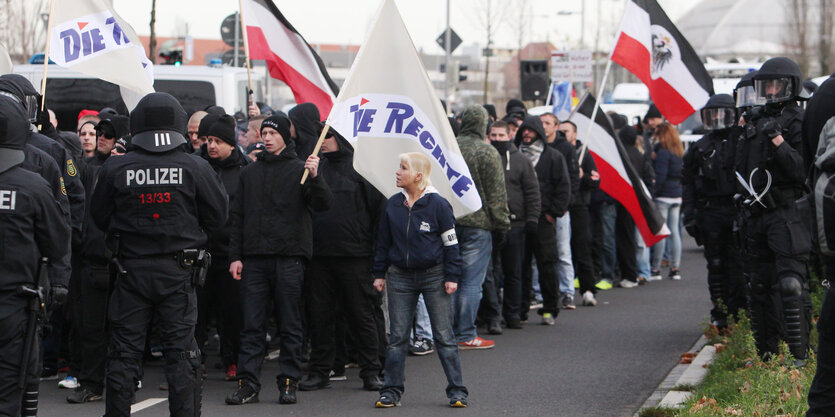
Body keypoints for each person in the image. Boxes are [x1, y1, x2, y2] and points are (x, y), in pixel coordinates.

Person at [90, 92, 229, 416]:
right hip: (179, 274)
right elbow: (220, 217)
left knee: (123, 356)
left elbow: (98, 216)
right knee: (182, 357)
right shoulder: (195, 166)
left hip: (131, 271)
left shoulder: (116, 167)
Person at [226, 114, 332, 405]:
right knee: (251, 325)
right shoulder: (250, 173)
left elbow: (323, 205)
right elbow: (238, 218)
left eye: (273, 133)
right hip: (255, 260)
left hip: (289, 259)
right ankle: (248, 383)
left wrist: (316, 176)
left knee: (290, 324)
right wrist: (235, 256)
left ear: (286, 136)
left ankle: (288, 381)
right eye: (264, 133)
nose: (268, 137)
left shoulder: (301, 169)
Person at [372, 152, 468, 408]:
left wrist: (452, 276)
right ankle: (390, 391)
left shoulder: (438, 205)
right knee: (397, 337)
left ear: (418, 175)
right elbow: (383, 243)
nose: (397, 172)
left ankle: (457, 391)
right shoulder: (392, 204)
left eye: (403, 168)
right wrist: (379, 273)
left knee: (444, 336)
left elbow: (451, 245)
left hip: (434, 275)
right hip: (399, 277)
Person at [735, 57, 812, 366]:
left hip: (787, 212)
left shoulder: (798, 120)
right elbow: (739, 170)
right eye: (764, 85)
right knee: (759, 286)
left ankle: (799, 357)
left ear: (789, 86)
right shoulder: (754, 121)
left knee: (791, 284)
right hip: (757, 214)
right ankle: (767, 357)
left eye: (774, 84)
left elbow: (800, 170)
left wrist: (777, 139)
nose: (768, 91)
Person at [0, 96, 71, 417]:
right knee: (11, 387)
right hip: (15, 304)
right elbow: (57, 242)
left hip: (18, 301)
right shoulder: (33, 186)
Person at [300, 125, 385, 392]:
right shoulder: (316, 167)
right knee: (321, 317)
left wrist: (377, 259)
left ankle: (371, 370)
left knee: (362, 316)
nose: (322, 141)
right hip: (320, 256)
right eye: (320, 136)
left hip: (356, 256)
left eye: (328, 136)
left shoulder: (362, 169)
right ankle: (320, 371)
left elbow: (379, 216)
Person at [65, 114, 130, 404]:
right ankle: (91, 382)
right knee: (89, 327)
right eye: (98, 132)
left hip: (122, 262)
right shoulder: (87, 168)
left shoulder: (127, 169)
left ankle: (123, 380)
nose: (100, 137)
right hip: (91, 259)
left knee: (123, 329)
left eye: (107, 133)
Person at [682, 94, 747, 330]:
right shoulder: (699, 148)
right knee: (716, 264)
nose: (718, 119)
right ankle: (720, 311)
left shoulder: (742, 142)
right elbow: (687, 184)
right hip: (711, 212)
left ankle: (740, 310)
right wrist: (689, 215)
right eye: (713, 115)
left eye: (723, 114)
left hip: (737, 208)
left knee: (738, 264)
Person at [198, 114, 249, 381]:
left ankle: (233, 361)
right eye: (208, 140)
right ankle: (196, 362)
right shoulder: (198, 167)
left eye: (217, 140)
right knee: (197, 314)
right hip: (200, 252)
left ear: (230, 143)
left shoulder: (244, 171)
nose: (211, 146)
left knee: (232, 314)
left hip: (230, 253)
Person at [453, 105, 509, 348]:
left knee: (448, 279)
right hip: (478, 225)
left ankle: (444, 331)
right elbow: (497, 195)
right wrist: (502, 225)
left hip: (447, 222)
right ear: (484, 125)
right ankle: (465, 333)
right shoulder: (488, 153)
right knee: (471, 283)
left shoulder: (449, 147)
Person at [514, 116, 571, 324]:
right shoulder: (514, 155)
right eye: (524, 131)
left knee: (547, 264)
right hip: (519, 220)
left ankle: (549, 308)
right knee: (520, 265)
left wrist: (552, 213)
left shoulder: (553, 157)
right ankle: (518, 310)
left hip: (543, 220)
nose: (527, 134)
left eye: (531, 130)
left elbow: (564, 187)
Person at [488, 120, 541, 327]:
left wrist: (532, 219)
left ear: (510, 135)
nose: (497, 140)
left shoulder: (521, 161)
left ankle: (513, 314)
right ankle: (489, 315)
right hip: (490, 224)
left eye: (501, 136)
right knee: (490, 273)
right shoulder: (486, 157)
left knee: (514, 272)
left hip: (515, 223)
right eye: (494, 136)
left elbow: (532, 192)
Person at [560, 120, 601, 306]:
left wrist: (583, 176)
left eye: (566, 131)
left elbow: (596, 180)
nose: (563, 134)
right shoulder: (556, 151)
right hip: (560, 207)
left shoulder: (583, 154)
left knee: (582, 247)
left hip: (579, 207)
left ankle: (588, 289)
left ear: (575, 134)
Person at [541, 113, 580, 308]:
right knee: (539, 256)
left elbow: (571, 180)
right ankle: (540, 292)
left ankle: (567, 291)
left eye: (548, 123)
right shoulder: (534, 148)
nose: (544, 126)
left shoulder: (565, 149)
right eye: (541, 123)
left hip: (560, 210)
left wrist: (563, 206)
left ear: (555, 127)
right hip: (540, 210)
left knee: (563, 252)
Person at [616, 126, 653, 288]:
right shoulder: (640, 155)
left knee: (626, 238)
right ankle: (642, 271)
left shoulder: (622, 155)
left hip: (625, 201)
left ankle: (629, 274)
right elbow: (648, 176)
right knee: (638, 238)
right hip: (639, 200)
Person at [649, 123, 684, 281]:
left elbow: (660, 176)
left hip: (663, 195)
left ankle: (656, 268)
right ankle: (675, 267)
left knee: (661, 232)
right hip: (677, 193)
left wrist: (655, 192)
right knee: (675, 233)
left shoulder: (663, 152)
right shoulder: (678, 151)